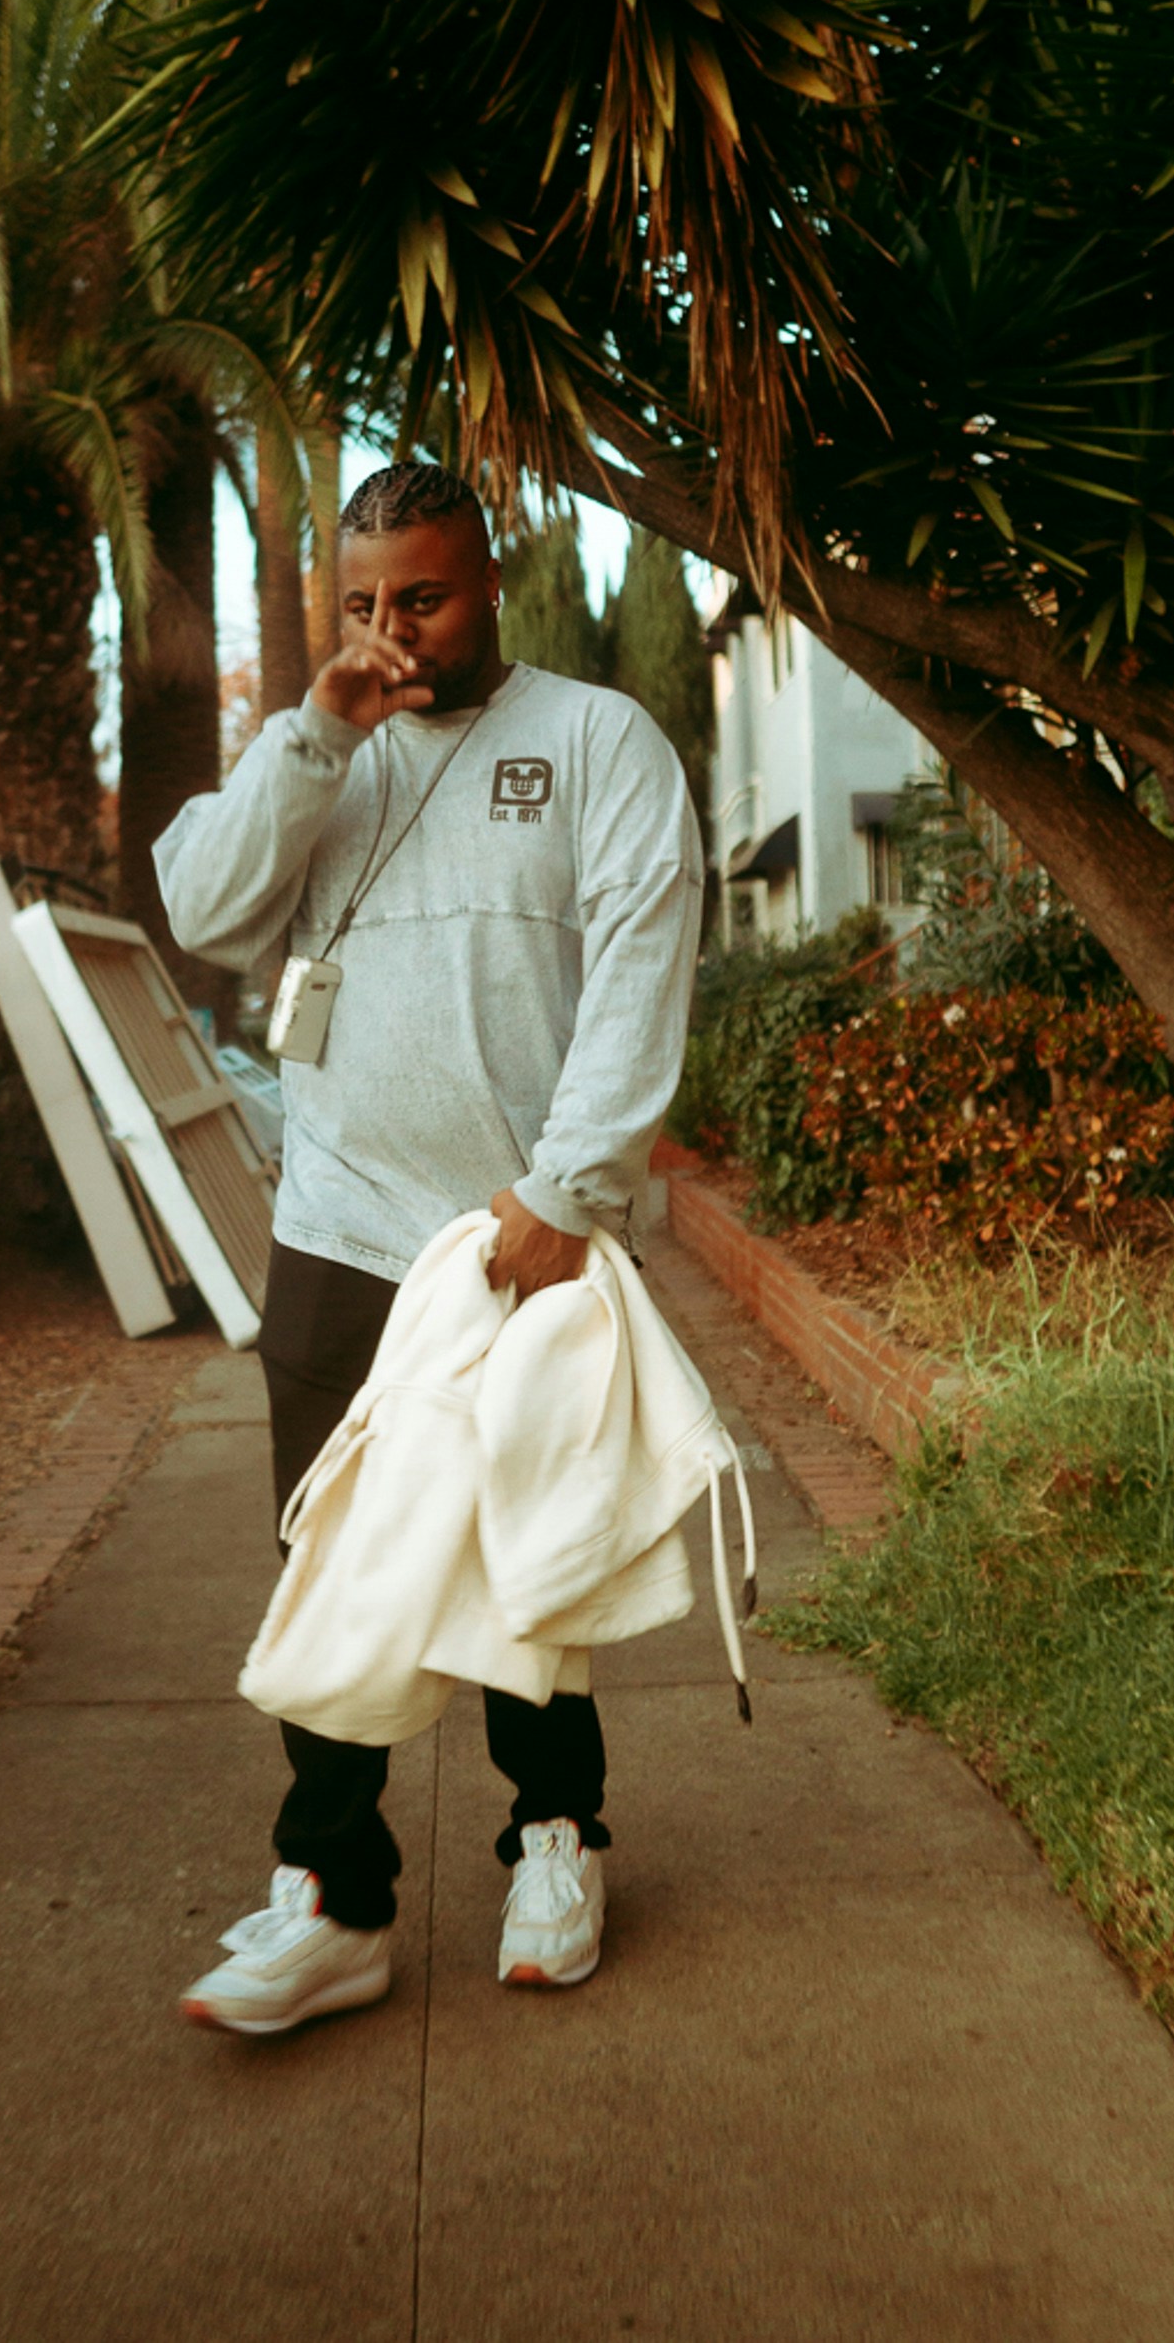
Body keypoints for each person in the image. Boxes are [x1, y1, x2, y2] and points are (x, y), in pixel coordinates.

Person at [155, 462, 704, 2035]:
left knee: (536, 1553)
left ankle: (556, 1846)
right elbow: (201, 905)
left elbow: (639, 972)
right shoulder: (322, 749)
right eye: (363, 602)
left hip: (520, 1231)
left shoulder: (597, 739)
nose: (393, 628)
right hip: (338, 1230)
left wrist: (570, 1189)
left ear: (492, 579)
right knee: (333, 1564)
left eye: (424, 597)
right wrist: (314, 726)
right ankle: (333, 1904)